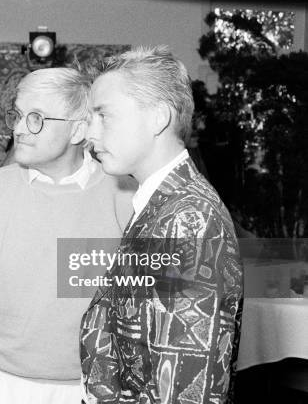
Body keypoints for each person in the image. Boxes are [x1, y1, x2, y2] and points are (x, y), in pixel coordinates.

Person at [0, 67, 135, 404]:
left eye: (36, 118)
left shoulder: (124, 196)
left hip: (91, 389)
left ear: (78, 129)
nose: (19, 128)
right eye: (17, 115)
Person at [80, 46, 243, 404]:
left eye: (103, 115)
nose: (89, 134)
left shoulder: (189, 220)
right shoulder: (161, 203)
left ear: (158, 117)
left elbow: (185, 393)